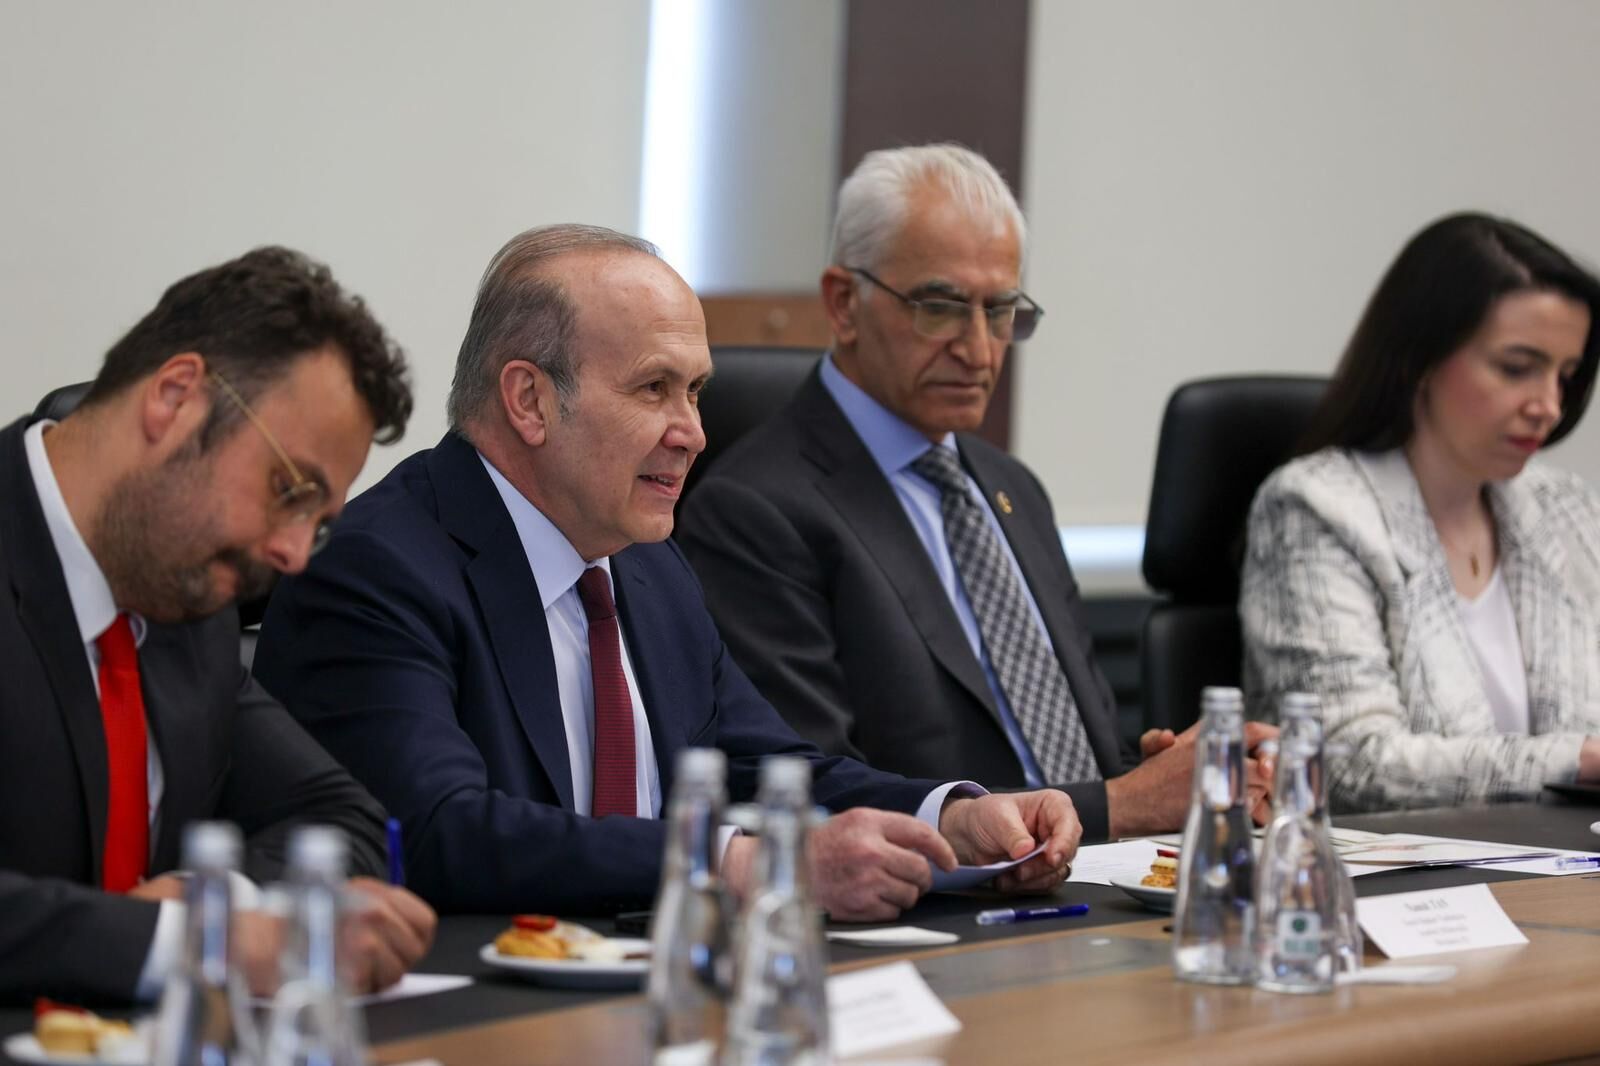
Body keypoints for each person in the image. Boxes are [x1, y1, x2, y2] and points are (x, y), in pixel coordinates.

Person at [252, 224, 1082, 922]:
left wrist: (951, 818)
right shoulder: (377, 568)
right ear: (529, 400)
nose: (693, 432)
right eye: (655, 388)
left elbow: (773, 765)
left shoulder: (649, 566)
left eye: (696, 392)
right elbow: (440, 834)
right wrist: (741, 863)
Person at [676, 143, 1268, 842]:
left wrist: (1155, 774)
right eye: (941, 307)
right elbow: (812, 794)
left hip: (1096, 878)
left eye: (1001, 311)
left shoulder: (1014, 490)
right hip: (941, 899)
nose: (980, 350)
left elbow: (1072, 756)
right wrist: (1120, 803)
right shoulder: (753, 511)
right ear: (843, 303)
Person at [0, 247, 437, 1004]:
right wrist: (195, 941)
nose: (294, 553)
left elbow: (345, 823)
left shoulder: (189, 601)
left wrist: (214, 897)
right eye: (290, 489)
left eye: (319, 524)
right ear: (175, 399)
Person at [1241, 212, 1600, 811]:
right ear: (1421, 357)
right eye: (1517, 368)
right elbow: (1349, 763)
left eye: (1565, 376)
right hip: (1396, 866)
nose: (1549, 406)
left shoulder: (1567, 509)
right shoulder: (1318, 508)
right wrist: (1578, 761)